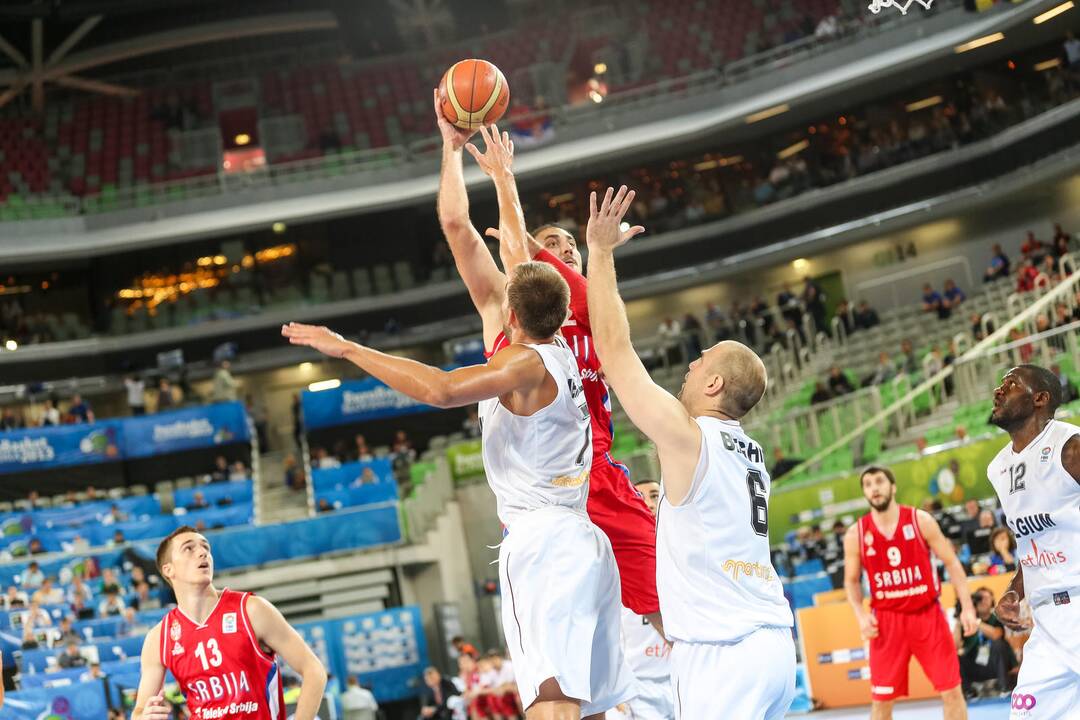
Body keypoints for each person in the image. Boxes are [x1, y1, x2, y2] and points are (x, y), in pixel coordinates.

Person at [283, 201, 633, 716]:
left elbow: (442, 390)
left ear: (511, 315)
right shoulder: (568, 357)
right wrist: (500, 185)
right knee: (595, 706)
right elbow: (506, 264)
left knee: (551, 697)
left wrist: (351, 350)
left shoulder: (525, 363)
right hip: (584, 539)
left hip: (544, 544)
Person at [432, 107, 662, 635]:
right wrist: (454, 150)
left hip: (597, 474)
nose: (562, 252)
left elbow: (532, 250)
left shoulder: (593, 310)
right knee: (565, 646)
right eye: (550, 245)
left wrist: (588, 249)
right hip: (536, 496)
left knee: (665, 607)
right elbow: (459, 228)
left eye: (570, 247)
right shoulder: (503, 308)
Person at [585, 185, 795, 719]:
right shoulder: (750, 453)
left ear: (716, 383)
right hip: (771, 644)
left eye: (701, 361)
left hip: (722, 653)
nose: (691, 365)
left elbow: (613, 351)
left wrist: (601, 253)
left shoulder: (690, 438)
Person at [131, 526, 327, 720]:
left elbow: (314, 670)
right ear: (168, 569)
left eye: (205, 547)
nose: (202, 553)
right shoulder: (160, 638)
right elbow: (139, 711)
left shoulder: (251, 609)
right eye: (189, 548)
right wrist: (144, 717)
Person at [843, 466, 978, 720]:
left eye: (879, 481)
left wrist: (968, 607)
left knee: (952, 691)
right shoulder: (856, 534)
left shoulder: (920, 520)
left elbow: (952, 563)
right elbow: (851, 582)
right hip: (886, 621)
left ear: (893, 487)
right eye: (868, 484)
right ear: (864, 493)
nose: (874, 488)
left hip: (927, 615)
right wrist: (860, 615)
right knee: (881, 702)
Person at [985, 365, 1080, 719]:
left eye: (1010, 385)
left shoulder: (1070, 448)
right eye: (999, 384)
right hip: (1048, 625)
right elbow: (1032, 541)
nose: (998, 390)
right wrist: (1015, 590)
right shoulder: (998, 468)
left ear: (1040, 399)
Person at [620, 476, 673, 720]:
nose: (648, 503)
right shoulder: (620, 560)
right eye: (639, 496)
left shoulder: (687, 552)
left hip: (686, 673)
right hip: (641, 686)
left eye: (654, 495)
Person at [956, 588, 1017, 697]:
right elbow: (954, 646)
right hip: (976, 665)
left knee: (998, 644)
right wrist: (958, 620)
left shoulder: (996, 619)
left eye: (986, 598)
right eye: (979, 598)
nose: (982, 601)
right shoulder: (967, 623)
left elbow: (996, 635)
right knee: (956, 657)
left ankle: (1004, 687)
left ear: (992, 600)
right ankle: (968, 691)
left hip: (994, 665)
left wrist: (976, 621)